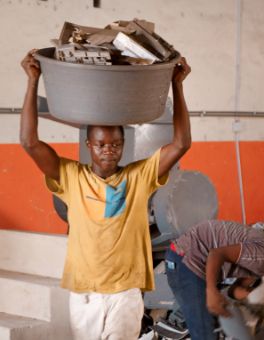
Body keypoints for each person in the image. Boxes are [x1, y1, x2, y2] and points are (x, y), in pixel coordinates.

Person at [20, 49, 191, 340]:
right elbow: (29, 142)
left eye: (115, 144)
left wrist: (177, 84)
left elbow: (180, 144)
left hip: (125, 292)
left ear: (123, 146)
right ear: (89, 145)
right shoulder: (71, 177)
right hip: (85, 293)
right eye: (101, 144)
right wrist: (33, 80)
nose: (108, 150)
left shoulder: (138, 177)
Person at [165, 219, 264, 340]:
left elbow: (235, 290)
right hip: (186, 260)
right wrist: (211, 290)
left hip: (192, 263)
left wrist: (255, 301)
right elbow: (216, 254)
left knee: (210, 327)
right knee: (204, 333)